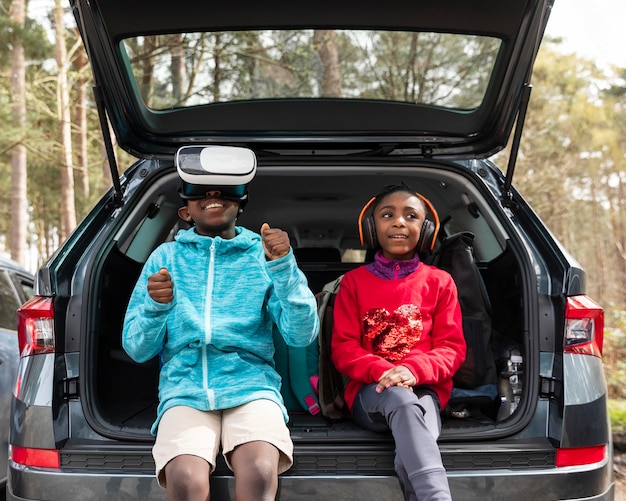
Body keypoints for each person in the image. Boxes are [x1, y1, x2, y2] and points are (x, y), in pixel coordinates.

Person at [122, 146, 319, 501]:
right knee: (184, 478)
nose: (213, 197)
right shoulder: (165, 258)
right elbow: (137, 348)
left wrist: (285, 268)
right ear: (185, 210)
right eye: (200, 192)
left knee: (260, 470)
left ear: (242, 202)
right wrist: (155, 307)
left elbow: (301, 333)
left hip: (251, 387)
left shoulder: (263, 254)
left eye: (226, 191)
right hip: (185, 390)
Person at [331, 183, 466, 501]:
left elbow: (452, 348)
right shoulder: (353, 283)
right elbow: (344, 348)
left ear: (426, 228)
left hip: (425, 392)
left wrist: (412, 371)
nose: (399, 222)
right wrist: (384, 372)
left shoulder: (440, 282)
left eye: (411, 216)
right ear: (370, 226)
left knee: (414, 439)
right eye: (387, 215)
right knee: (403, 404)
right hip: (371, 394)